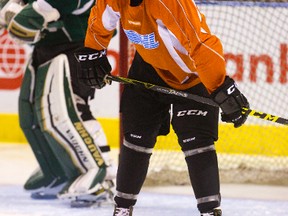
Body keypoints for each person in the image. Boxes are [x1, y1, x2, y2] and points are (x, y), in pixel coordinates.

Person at [74, 0, 250, 215]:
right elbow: (99, 22)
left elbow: (200, 43)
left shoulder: (168, 2)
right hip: (148, 68)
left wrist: (220, 87)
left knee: (197, 143)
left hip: (193, 77)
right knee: (136, 139)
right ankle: (122, 209)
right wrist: (93, 51)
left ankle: (210, 211)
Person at [0, 0, 116, 206]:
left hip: (78, 45)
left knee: (73, 107)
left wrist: (38, 9)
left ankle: (101, 174)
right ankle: (61, 170)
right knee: (34, 113)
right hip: (46, 46)